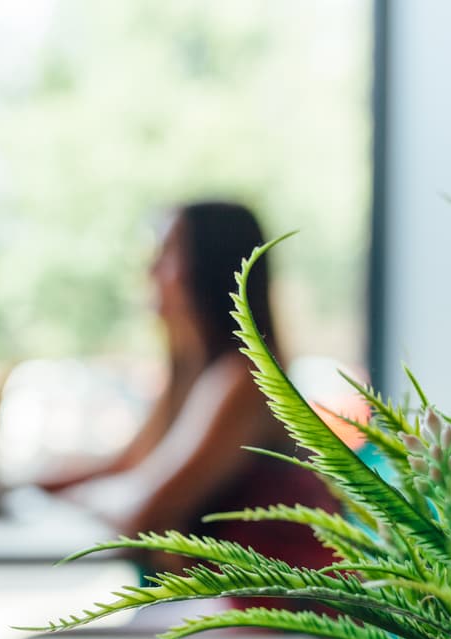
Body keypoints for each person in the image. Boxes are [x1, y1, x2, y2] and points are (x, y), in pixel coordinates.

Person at [44, 201, 338, 573]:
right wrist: (26, 488)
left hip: (275, 615)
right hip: (218, 607)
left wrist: (79, 498)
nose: (150, 270)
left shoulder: (243, 379)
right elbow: (127, 466)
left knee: (36, 634)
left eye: (167, 253)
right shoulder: (194, 374)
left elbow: (144, 511)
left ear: (208, 267)